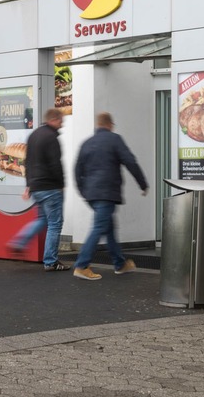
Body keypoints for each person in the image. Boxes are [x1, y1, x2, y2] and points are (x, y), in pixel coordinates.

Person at [71, 112, 148, 281]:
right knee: (99, 227)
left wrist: (83, 192)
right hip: (106, 193)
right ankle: (82, 265)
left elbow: (77, 171)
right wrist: (143, 184)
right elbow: (131, 162)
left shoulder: (86, 143)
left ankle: (120, 264)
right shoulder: (115, 139)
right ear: (110, 125)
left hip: (91, 194)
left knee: (109, 228)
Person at [8, 108, 69, 271]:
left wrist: (29, 185)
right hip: (50, 187)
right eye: (61, 120)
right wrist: (61, 184)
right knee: (55, 224)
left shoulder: (34, 135)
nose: (62, 123)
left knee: (42, 220)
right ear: (54, 119)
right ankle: (51, 261)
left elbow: (27, 162)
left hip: (36, 187)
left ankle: (19, 241)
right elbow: (55, 164)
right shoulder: (51, 137)